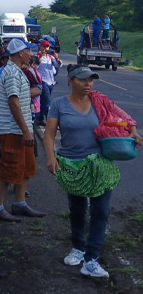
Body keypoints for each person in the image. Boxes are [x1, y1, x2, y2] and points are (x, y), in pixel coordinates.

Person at [44, 64, 142, 278]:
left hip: (100, 164)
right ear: (70, 81)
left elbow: (122, 118)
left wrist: (133, 131)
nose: (88, 83)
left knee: (100, 211)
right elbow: (49, 133)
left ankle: (91, 259)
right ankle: (78, 247)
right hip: (73, 166)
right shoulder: (59, 104)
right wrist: (51, 157)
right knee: (77, 209)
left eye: (90, 79)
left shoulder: (100, 101)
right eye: (82, 79)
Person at [0, 39, 45, 221]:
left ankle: (19, 204)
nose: (31, 55)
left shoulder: (19, 72)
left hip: (21, 129)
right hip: (13, 130)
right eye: (29, 51)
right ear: (20, 53)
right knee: (8, 168)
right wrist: (25, 131)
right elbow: (13, 103)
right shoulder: (12, 73)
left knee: (26, 167)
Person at [35, 39, 62, 126]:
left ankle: (40, 117)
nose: (46, 48)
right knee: (48, 102)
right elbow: (35, 65)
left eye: (47, 46)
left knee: (44, 101)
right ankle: (50, 121)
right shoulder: (38, 56)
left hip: (51, 81)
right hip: (43, 81)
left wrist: (57, 58)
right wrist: (40, 56)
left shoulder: (51, 57)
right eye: (44, 46)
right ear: (41, 47)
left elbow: (58, 65)